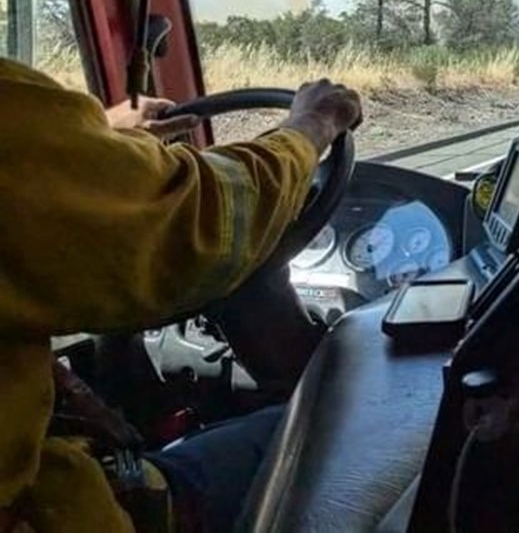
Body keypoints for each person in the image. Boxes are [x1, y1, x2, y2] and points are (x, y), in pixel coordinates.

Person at [0, 57, 362, 531]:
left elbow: (36, 188)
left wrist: (102, 145)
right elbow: (201, 219)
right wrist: (314, 124)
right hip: (43, 507)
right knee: (332, 434)